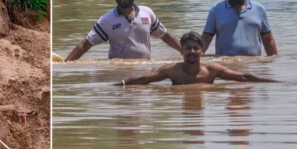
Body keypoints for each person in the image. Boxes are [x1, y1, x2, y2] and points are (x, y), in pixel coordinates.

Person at [65, 0, 182, 61]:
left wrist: (184, 51)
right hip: (118, 72)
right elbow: (86, 44)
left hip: (144, 70)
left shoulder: (147, 13)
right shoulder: (107, 20)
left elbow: (165, 36)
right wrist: (65, 64)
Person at [117, 32, 277, 86]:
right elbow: (144, 79)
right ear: (182, 51)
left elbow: (242, 77)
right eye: (187, 48)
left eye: (195, 48)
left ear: (201, 51)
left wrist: (271, 83)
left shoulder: (212, 70)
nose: (192, 52)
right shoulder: (172, 70)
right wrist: (120, 84)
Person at [202, 0, 278, 56]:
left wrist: (274, 64)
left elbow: (267, 40)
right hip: (226, 66)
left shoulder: (259, 9)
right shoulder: (216, 10)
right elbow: (206, 39)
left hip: (254, 66)